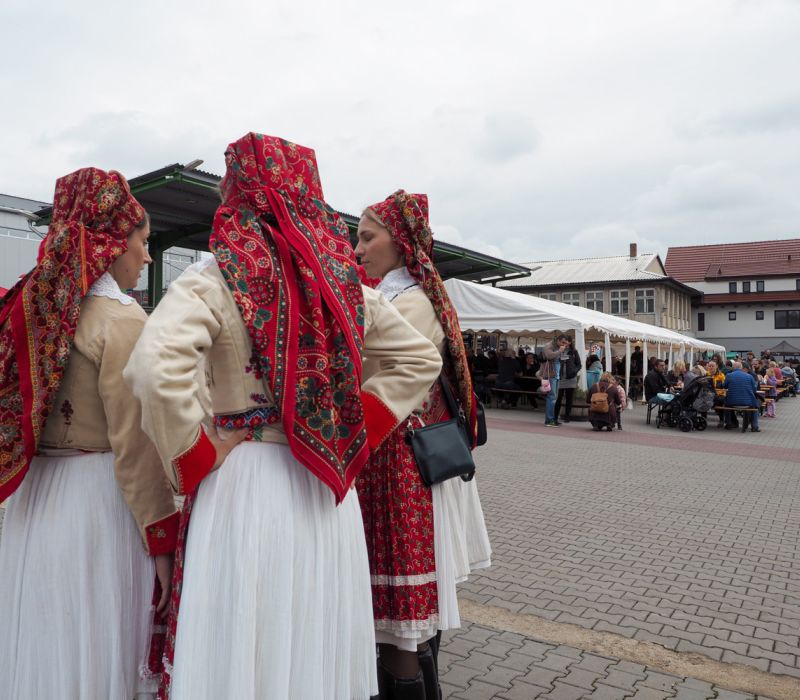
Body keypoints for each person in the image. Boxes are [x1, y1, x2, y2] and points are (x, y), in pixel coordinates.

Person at [125, 135, 443, 700]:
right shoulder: (343, 284)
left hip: (243, 480)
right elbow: (419, 358)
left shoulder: (214, 278)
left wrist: (195, 453)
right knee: (309, 641)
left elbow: (152, 368)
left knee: (243, 641)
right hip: (325, 486)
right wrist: (353, 429)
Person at [0, 168, 179, 699]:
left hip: (36, 500)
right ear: (112, 241)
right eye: (143, 241)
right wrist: (162, 539)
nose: (148, 257)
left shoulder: (31, 306)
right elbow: (137, 442)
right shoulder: (121, 320)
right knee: (98, 642)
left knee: (45, 639)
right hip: (100, 503)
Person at [355, 189, 492, 698]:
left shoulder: (411, 302)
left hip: (400, 465)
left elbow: (375, 373)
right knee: (403, 618)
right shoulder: (400, 295)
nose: (358, 249)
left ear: (400, 241)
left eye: (367, 237)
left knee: (402, 619)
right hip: (391, 458)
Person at [539, 334, 570, 426]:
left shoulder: (559, 346)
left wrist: (564, 354)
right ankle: (549, 420)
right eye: (563, 342)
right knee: (551, 397)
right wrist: (559, 351)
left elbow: (559, 359)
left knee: (554, 398)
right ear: (558, 340)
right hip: (550, 374)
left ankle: (552, 419)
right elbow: (549, 356)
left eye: (566, 343)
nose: (564, 344)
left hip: (556, 375)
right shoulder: (549, 346)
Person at [723, 361, 760, 432]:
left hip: (732, 402)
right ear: (741, 367)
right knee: (755, 407)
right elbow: (754, 389)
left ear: (733, 368)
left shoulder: (729, 375)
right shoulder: (749, 376)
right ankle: (755, 427)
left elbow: (725, 386)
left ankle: (728, 424)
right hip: (748, 402)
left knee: (726, 405)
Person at [554, 338, 581, 422]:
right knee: (558, 398)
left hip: (571, 378)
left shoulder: (574, 352)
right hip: (561, 377)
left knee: (569, 398)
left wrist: (574, 372)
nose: (565, 343)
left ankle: (567, 416)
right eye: (564, 341)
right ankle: (555, 416)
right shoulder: (560, 350)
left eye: (567, 341)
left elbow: (579, 365)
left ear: (570, 342)